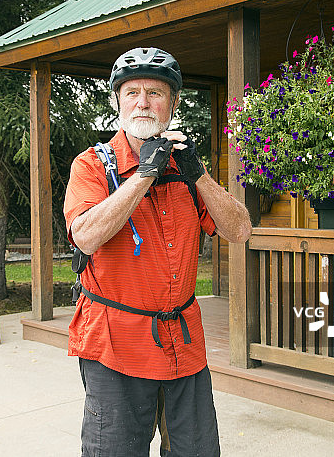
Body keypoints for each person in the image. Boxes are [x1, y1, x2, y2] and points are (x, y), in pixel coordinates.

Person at [63, 47, 252, 456]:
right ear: (117, 101)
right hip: (117, 342)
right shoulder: (93, 165)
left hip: (183, 342)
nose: (143, 102)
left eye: (155, 92)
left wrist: (198, 175)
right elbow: (85, 236)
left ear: (174, 102)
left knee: (196, 451)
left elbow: (240, 229)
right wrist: (145, 174)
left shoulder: (185, 168)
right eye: (132, 92)